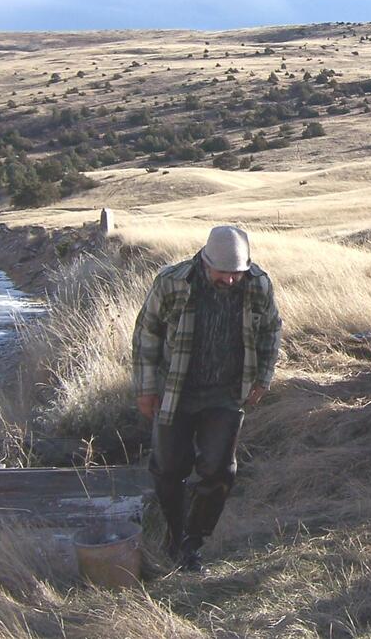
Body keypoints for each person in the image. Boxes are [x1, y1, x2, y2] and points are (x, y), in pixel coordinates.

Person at [131, 224, 282, 569]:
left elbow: (272, 329)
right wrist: (145, 389)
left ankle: (192, 543)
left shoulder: (257, 284)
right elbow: (147, 334)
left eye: (236, 274)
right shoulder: (172, 282)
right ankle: (172, 530)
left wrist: (263, 378)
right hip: (175, 391)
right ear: (204, 261)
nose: (230, 280)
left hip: (226, 393)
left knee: (219, 471)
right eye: (223, 273)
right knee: (168, 468)